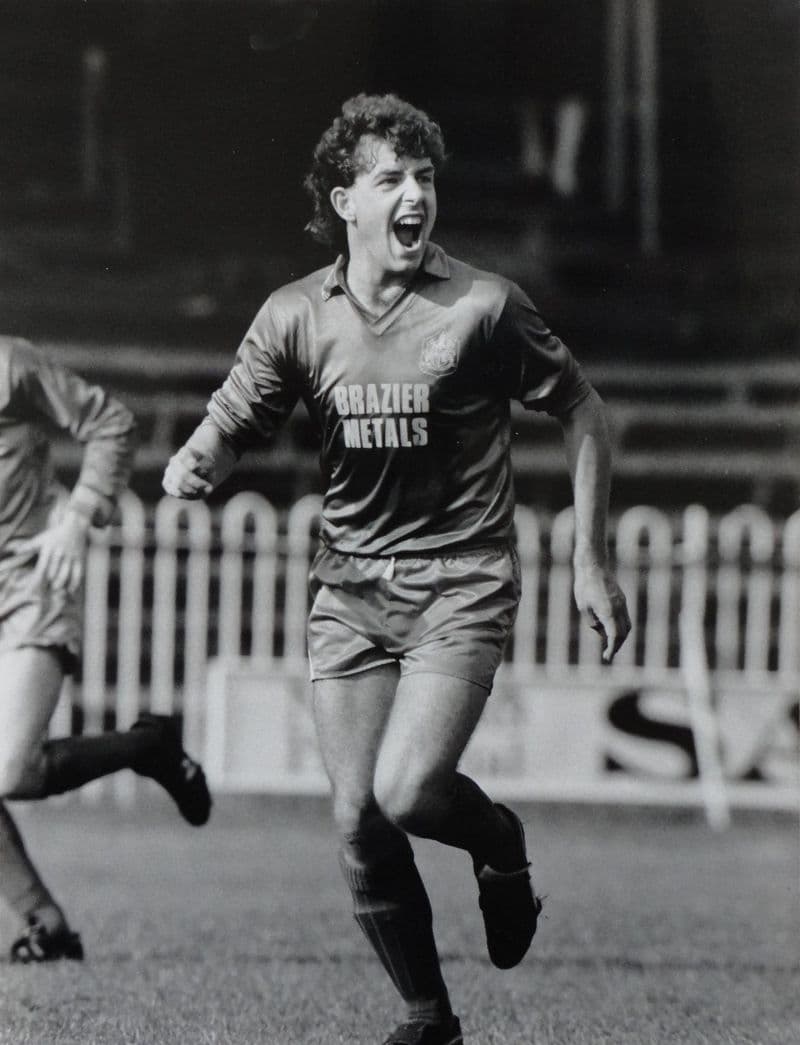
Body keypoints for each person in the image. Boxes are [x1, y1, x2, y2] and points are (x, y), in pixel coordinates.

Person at [163, 93, 631, 1045]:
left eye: (424, 178)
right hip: (350, 588)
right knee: (357, 818)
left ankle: (500, 844)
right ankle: (429, 1017)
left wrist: (592, 559)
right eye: (391, 180)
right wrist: (198, 458)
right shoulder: (296, 313)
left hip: (462, 579)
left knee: (409, 791)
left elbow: (583, 409)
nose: (415, 195)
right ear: (346, 202)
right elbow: (237, 414)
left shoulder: (485, 306)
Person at [0, 336, 212, 964]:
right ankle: (47, 926)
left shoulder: (10, 366)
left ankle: (147, 746)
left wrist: (77, 518)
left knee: (10, 770)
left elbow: (111, 422)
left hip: (31, 582)